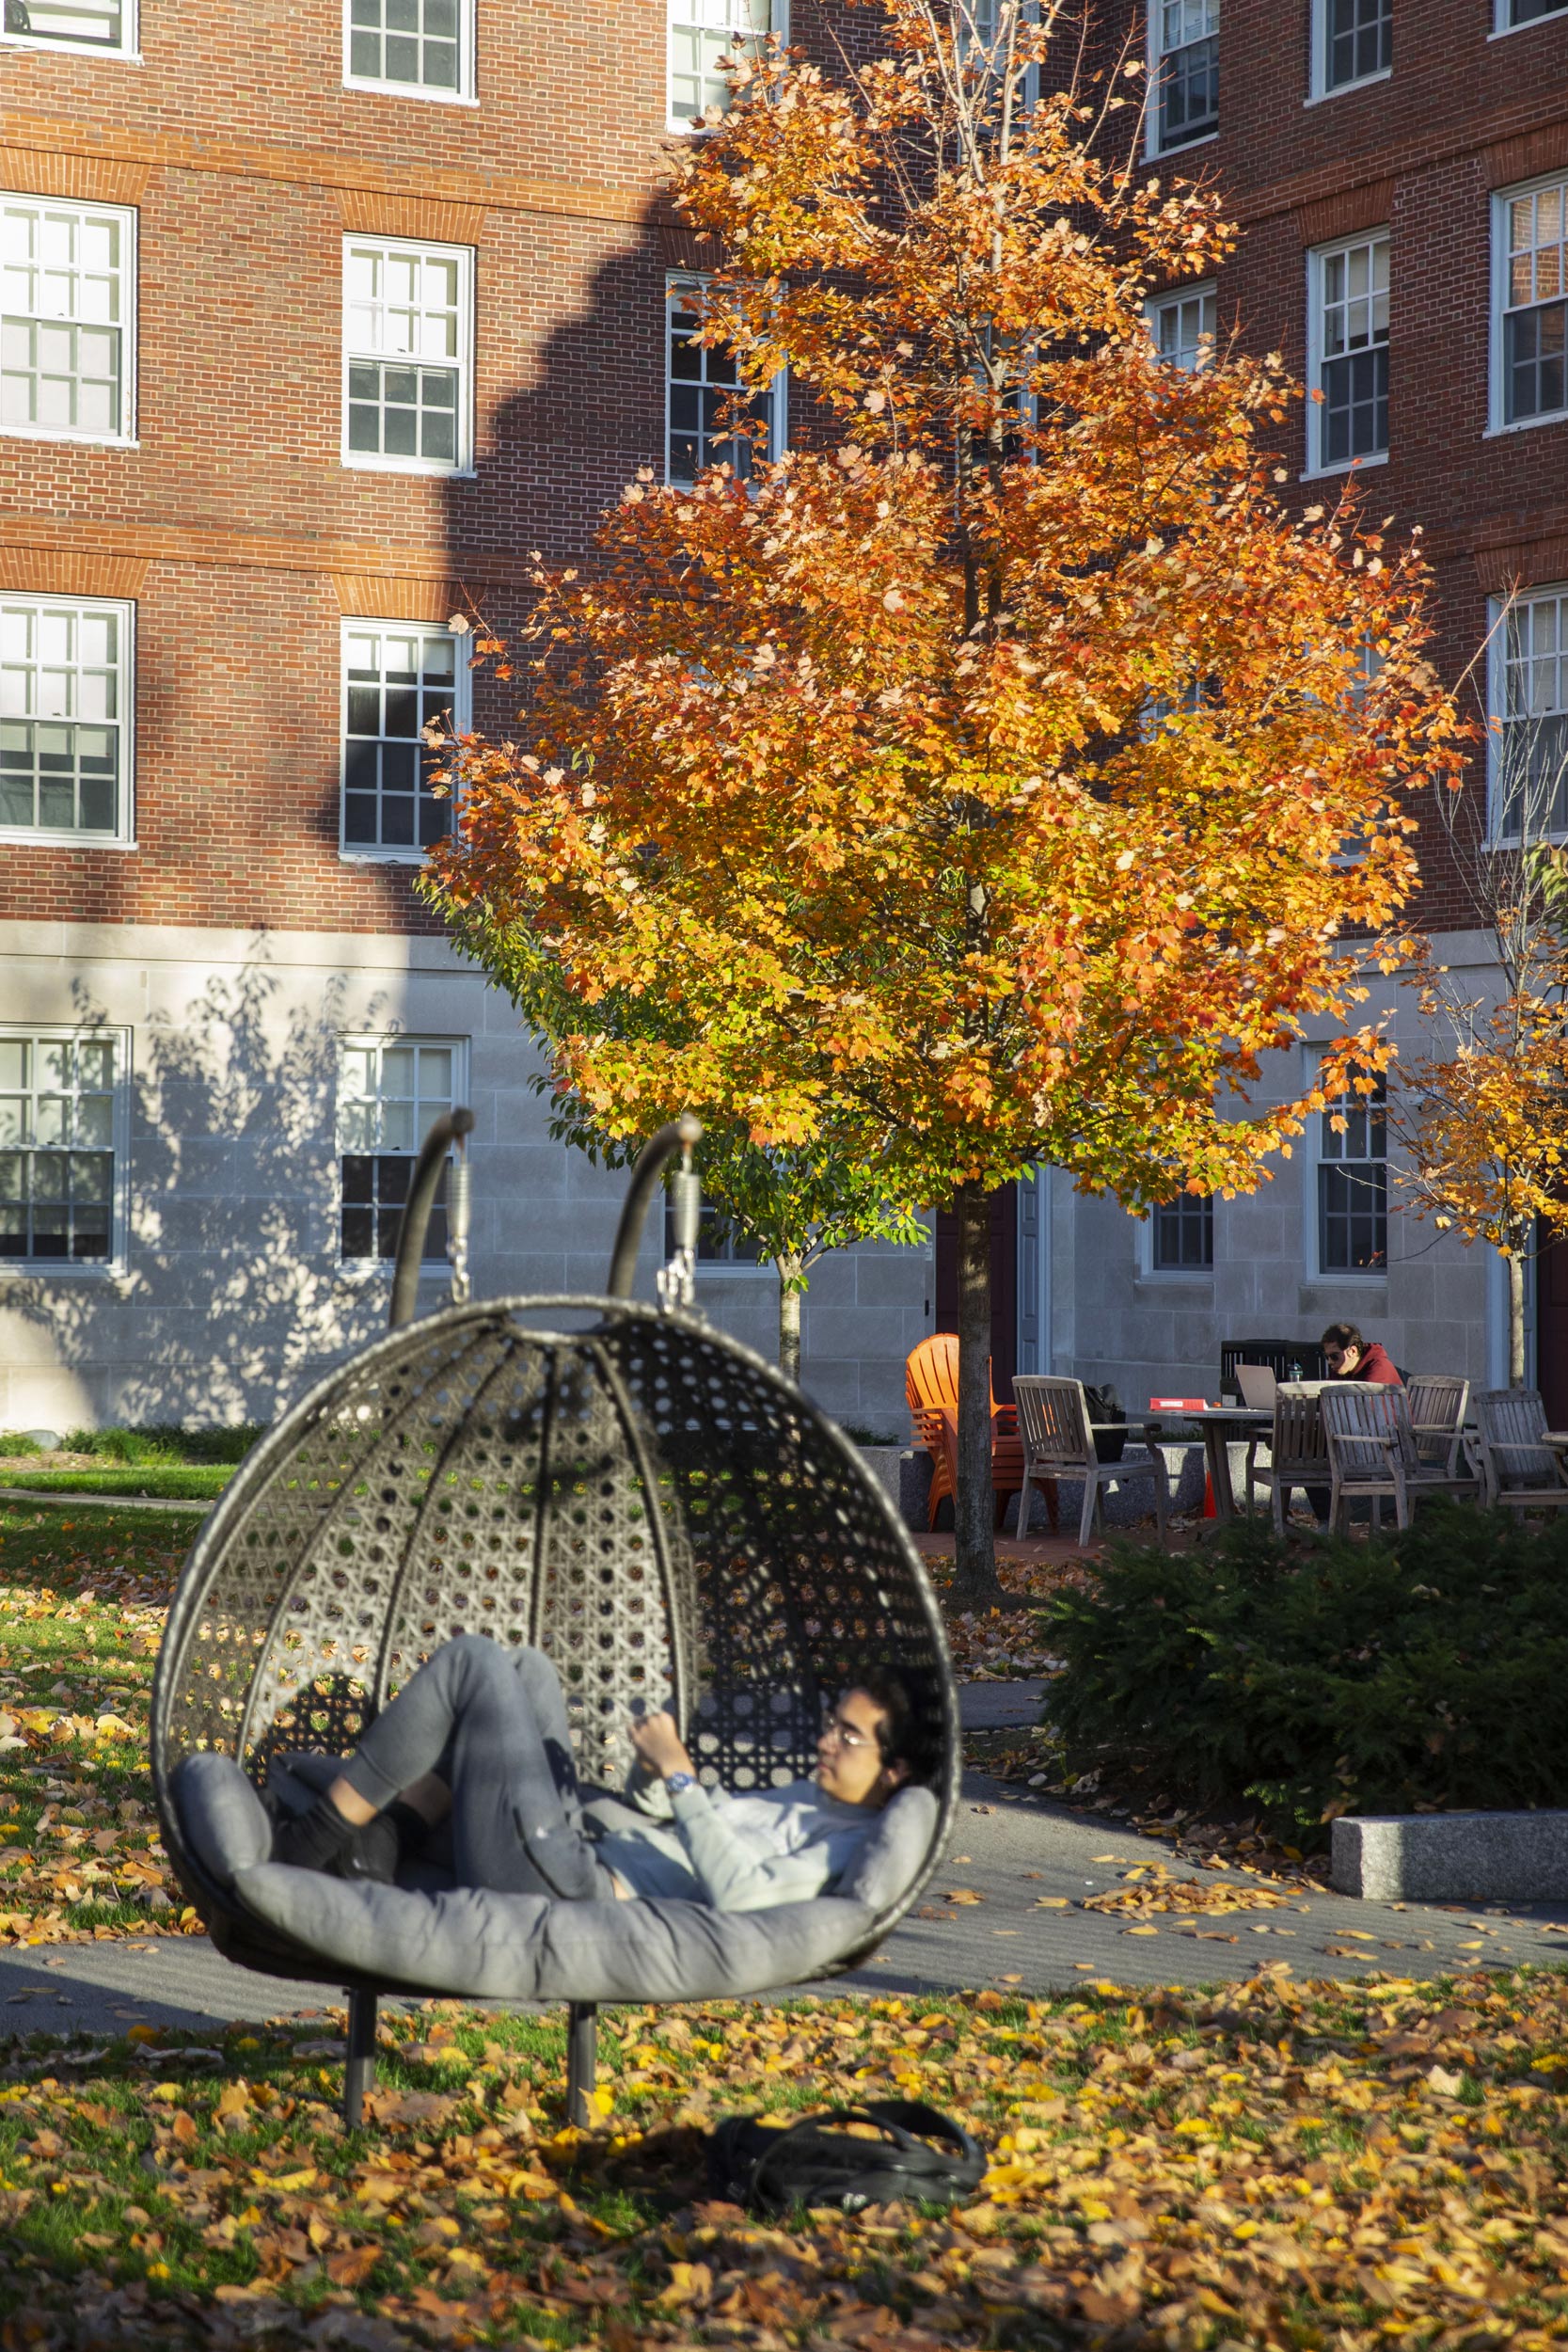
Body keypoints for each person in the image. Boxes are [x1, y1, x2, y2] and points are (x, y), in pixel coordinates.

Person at [268, 1634, 919, 1915]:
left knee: (472, 1664)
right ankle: (385, 1841)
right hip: (574, 1845)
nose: (827, 1739)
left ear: (892, 1772)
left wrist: (683, 1780)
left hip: (572, 1889)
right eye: (832, 1722)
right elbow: (671, 1813)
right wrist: (654, 1772)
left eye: (848, 1735)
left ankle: (315, 1843)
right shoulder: (806, 1797)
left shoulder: (843, 1843)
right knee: (525, 1668)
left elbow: (743, 1894)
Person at [1320, 1323, 1402, 1386]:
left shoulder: (1378, 1366)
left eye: (1334, 1356)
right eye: (1327, 1357)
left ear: (1353, 1351)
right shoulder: (1341, 1370)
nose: (1330, 1362)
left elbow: (1366, 1403)